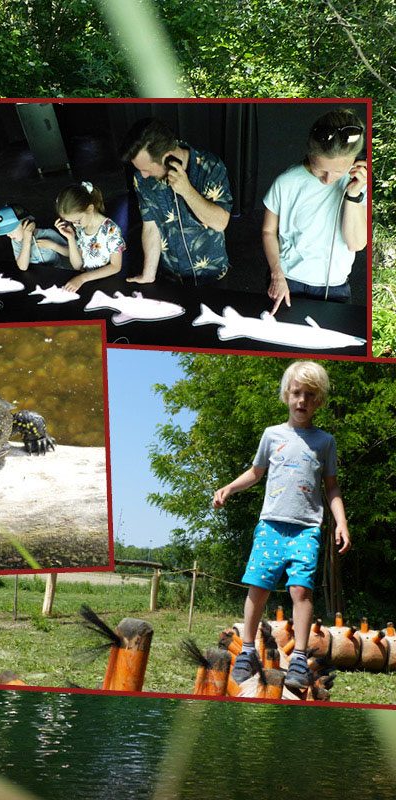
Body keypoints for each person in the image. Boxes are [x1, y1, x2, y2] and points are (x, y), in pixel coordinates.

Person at [212, 361, 350, 695]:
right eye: (297, 393)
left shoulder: (324, 442)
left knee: (300, 591)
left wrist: (341, 522)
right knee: (258, 587)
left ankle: (299, 657)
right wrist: (229, 487)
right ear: (286, 395)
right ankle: (246, 649)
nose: (302, 400)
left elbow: (331, 487)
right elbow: (255, 473)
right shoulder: (272, 436)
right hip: (271, 525)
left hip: (307, 528)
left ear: (318, 401)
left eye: (310, 395)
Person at [263, 109, 368, 312]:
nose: (328, 180)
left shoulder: (359, 184)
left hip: (335, 286)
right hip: (288, 280)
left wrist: (353, 195)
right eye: (320, 169)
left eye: (338, 171)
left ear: (356, 159)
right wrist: (277, 274)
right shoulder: (286, 182)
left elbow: (355, 243)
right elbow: (268, 231)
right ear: (311, 154)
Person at [120, 117, 232, 286]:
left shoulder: (211, 166)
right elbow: (151, 226)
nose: (143, 175)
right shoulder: (141, 179)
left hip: (212, 276)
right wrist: (148, 274)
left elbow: (220, 222)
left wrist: (187, 191)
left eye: (147, 169)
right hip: (172, 277)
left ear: (169, 158)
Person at [50, 182, 125, 293]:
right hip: (86, 282)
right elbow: (78, 266)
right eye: (71, 222)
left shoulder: (110, 229)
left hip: (107, 284)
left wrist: (82, 278)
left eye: (77, 220)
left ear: (90, 209)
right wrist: (70, 238)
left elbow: (115, 266)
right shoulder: (81, 228)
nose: (75, 225)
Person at [0, 205, 68, 269]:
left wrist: (53, 246)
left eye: (11, 230)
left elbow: (69, 253)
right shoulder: (16, 241)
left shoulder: (48, 233)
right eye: (6, 232)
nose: (8, 235)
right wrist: (27, 239)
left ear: (26, 223)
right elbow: (22, 267)